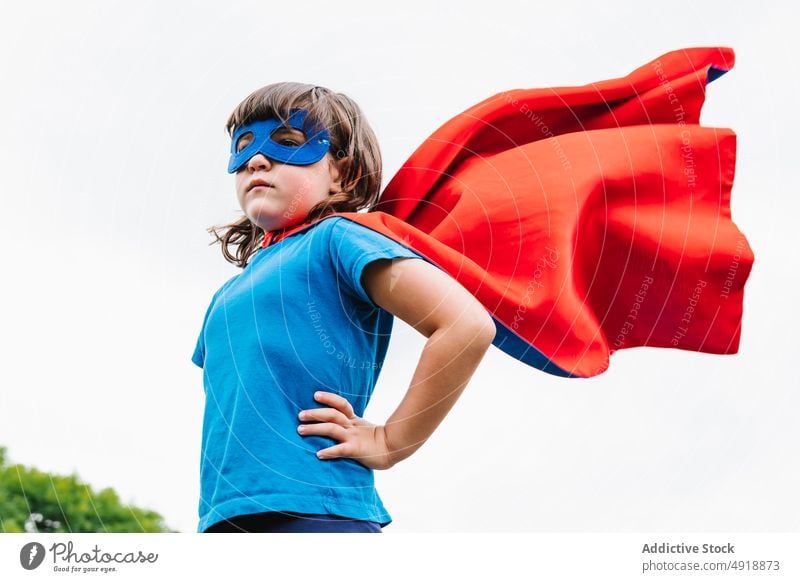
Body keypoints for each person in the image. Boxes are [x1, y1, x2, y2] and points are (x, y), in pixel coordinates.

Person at [192, 83, 497, 533]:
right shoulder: (227, 295)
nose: (257, 159)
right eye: (243, 148)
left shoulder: (337, 237)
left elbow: (467, 324)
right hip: (226, 517)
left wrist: (390, 441)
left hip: (319, 511)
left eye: (289, 144)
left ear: (343, 175)